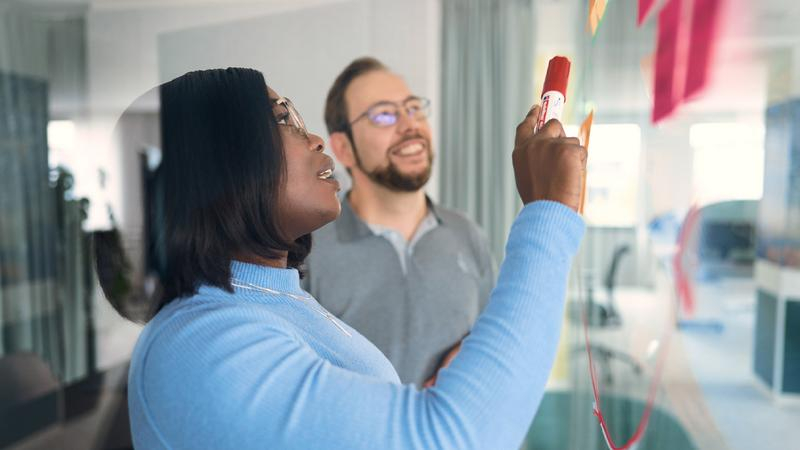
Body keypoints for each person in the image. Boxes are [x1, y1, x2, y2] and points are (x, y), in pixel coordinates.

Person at [125, 67, 586, 450]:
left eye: (413, 109)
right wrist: (549, 213)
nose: (314, 140)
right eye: (283, 120)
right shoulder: (201, 346)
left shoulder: (274, 299)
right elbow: (450, 438)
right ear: (218, 158)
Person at [302, 57, 496, 387]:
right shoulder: (306, 252)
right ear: (344, 148)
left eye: (413, 108)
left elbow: (495, 338)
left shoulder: (467, 234)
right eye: (384, 114)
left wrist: (471, 355)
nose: (409, 125)